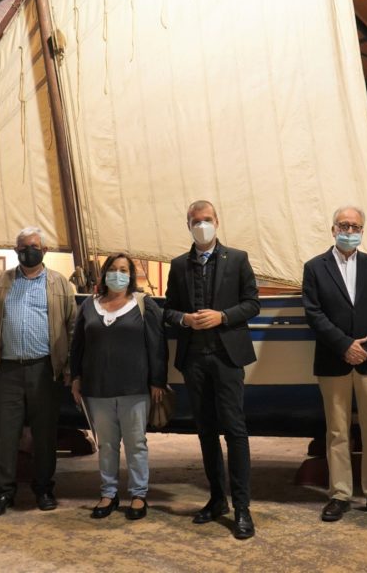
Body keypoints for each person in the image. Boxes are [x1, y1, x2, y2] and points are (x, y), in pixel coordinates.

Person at [163, 200, 260, 540]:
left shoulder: (238, 258)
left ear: (217, 221)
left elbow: (253, 303)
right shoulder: (177, 266)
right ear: (188, 224)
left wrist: (223, 316)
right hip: (194, 360)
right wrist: (184, 319)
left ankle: (243, 507)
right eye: (195, 221)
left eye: (206, 220)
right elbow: (168, 311)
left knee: (235, 430)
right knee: (205, 431)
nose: (201, 225)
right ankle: (217, 499)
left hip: (227, 357)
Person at [302, 206, 367, 523]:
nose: (349, 230)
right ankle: (340, 494)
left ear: (362, 230)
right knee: (337, 431)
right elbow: (313, 313)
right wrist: (344, 345)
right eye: (343, 225)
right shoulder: (315, 268)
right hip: (333, 359)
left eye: (355, 226)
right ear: (332, 229)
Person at [0, 227, 76, 516]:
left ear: (44, 250)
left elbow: (72, 328)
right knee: (4, 435)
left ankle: (44, 489)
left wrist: (68, 367)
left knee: (45, 434)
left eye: (33, 246)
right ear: (16, 250)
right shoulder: (3, 282)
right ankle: (3, 493)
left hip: (44, 370)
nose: (28, 251)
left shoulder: (59, 284)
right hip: (6, 370)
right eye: (22, 247)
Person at [70, 253, 167, 520]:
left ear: (131, 275)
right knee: (107, 445)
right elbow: (77, 344)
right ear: (104, 273)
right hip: (97, 387)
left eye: (124, 269)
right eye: (113, 269)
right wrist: (75, 377)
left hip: (134, 387)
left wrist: (157, 380)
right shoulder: (89, 306)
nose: (118, 274)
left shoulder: (143, 304)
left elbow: (157, 346)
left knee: (136, 443)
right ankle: (108, 494)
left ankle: (138, 495)